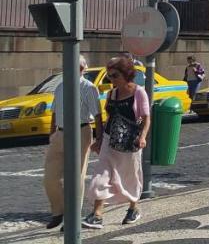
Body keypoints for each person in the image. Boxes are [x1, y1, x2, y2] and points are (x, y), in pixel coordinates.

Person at [83, 56, 150, 229]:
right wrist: (98, 140)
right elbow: (109, 118)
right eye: (109, 76)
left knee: (130, 176)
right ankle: (97, 214)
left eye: (114, 75)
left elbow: (146, 118)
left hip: (130, 142)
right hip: (109, 139)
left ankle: (133, 207)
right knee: (101, 174)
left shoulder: (138, 92)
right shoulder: (111, 93)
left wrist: (142, 137)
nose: (111, 79)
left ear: (126, 74)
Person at [43, 55, 101, 230]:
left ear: (82, 69)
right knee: (49, 178)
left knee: (76, 177)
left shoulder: (89, 87)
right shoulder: (60, 86)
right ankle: (59, 212)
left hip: (81, 131)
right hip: (60, 133)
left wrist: (99, 138)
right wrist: (52, 132)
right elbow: (54, 111)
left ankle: (73, 217)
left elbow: (97, 115)